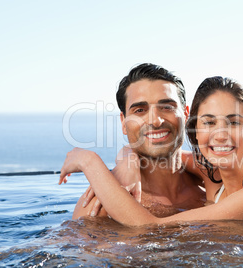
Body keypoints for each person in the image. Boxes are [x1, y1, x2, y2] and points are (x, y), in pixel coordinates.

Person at [61, 76, 243, 225]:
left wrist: (89, 161)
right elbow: (173, 160)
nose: (220, 134)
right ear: (196, 129)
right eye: (209, 122)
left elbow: (148, 225)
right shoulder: (212, 175)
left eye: (234, 122)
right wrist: (128, 159)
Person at [71, 63, 206, 219]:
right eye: (140, 110)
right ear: (123, 122)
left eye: (167, 107)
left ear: (186, 114)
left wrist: (128, 157)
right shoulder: (101, 206)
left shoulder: (214, 185)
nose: (156, 121)